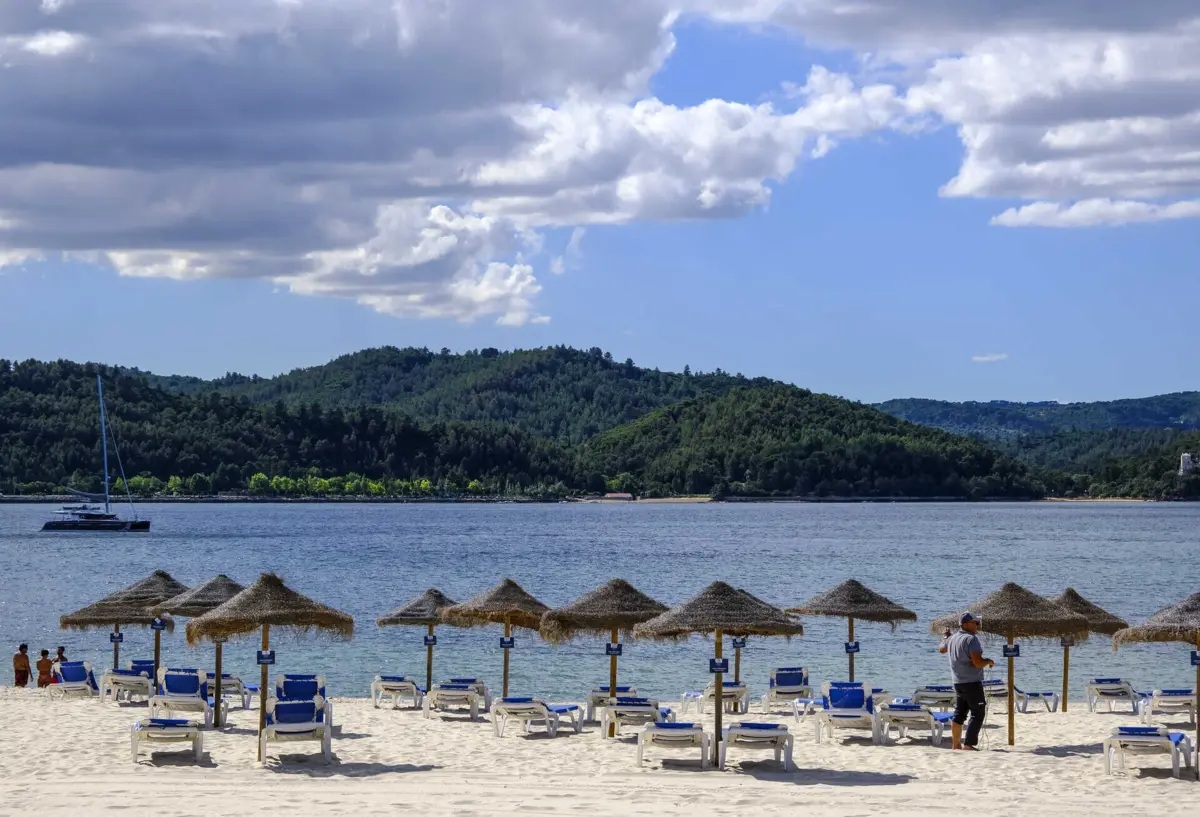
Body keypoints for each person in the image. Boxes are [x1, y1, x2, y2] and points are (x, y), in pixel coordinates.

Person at [939, 612, 995, 750]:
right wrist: (988, 661)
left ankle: (956, 745)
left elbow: (941, 649)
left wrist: (945, 637)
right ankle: (969, 744)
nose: (978, 625)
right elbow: (977, 663)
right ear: (966, 624)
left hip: (958, 682)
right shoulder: (971, 639)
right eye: (975, 623)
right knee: (978, 712)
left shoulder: (952, 639)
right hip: (972, 682)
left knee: (959, 714)